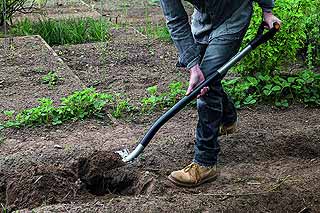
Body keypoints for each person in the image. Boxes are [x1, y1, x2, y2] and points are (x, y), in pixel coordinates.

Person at [159, 0, 282, 187]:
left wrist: (267, 10)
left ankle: (205, 162)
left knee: (206, 81)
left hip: (233, 15)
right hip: (203, 20)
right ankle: (228, 118)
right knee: (206, 80)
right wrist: (192, 66)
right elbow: (175, 19)